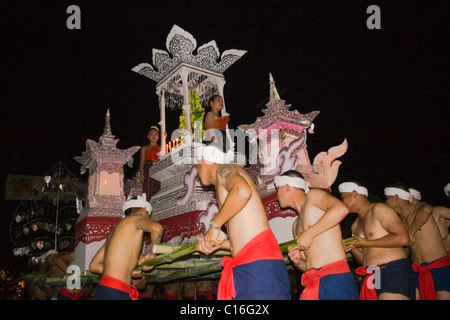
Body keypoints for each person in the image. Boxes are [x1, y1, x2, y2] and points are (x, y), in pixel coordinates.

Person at [195, 143, 291, 300]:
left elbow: (242, 191)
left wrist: (216, 224)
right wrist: (218, 244)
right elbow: (242, 237)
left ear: (204, 160)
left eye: (197, 166)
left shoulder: (223, 170)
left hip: (259, 264)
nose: (197, 172)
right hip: (248, 264)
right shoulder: (222, 181)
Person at [275, 170, 359, 300]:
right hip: (314, 281)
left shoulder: (313, 196)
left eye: (277, 190)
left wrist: (310, 233)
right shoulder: (295, 225)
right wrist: (298, 261)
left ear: (286, 187)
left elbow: (341, 209)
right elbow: (307, 264)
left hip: (335, 277)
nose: (277, 195)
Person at [339, 181, 415, 300]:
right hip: (372, 272)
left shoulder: (379, 209)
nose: (342, 202)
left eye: (343, 197)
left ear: (354, 193)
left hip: (392, 269)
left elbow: (403, 238)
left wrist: (367, 243)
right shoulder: (355, 225)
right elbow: (365, 259)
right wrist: (352, 247)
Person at [89, 194, 164, 300]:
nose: (147, 219)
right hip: (115, 291)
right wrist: (152, 254)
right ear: (144, 210)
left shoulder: (115, 231)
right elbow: (157, 228)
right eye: (148, 215)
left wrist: (126, 271)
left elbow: (94, 266)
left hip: (106, 289)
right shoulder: (136, 218)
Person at [384, 183, 450, 300]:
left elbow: (426, 210)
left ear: (396, 197)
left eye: (387, 199)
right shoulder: (401, 222)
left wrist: (411, 232)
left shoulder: (419, 208)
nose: (386, 203)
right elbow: (406, 251)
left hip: (438, 266)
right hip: (417, 270)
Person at [139, 126, 163, 202]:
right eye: (152, 134)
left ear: (158, 137)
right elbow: (142, 161)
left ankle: (156, 203)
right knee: (148, 187)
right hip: (148, 168)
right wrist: (141, 174)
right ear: (148, 136)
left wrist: (164, 137)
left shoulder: (160, 148)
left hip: (157, 168)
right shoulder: (144, 148)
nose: (154, 136)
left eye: (156, 134)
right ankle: (147, 203)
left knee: (156, 186)